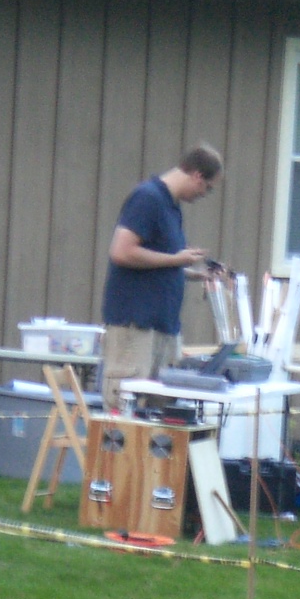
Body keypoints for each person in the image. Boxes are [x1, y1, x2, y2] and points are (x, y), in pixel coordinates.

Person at [99, 145, 223, 408]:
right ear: (198, 176)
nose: (204, 194)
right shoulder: (148, 198)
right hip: (135, 328)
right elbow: (121, 252)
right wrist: (177, 259)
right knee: (127, 411)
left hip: (162, 328)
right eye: (207, 188)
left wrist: (194, 273)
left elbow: (158, 263)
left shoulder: (172, 208)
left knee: (159, 414)